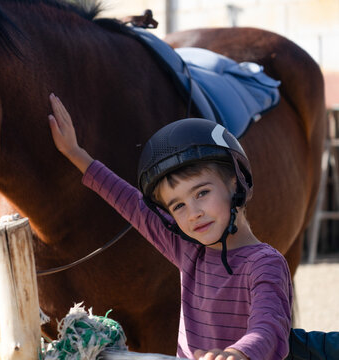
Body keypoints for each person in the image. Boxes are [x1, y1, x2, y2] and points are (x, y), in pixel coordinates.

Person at [47, 93, 293, 360]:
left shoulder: (265, 263)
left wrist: (238, 354)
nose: (193, 214)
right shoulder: (188, 249)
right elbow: (131, 202)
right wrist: (75, 152)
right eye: (178, 206)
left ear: (234, 183)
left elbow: (269, 325)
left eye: (201, 193)